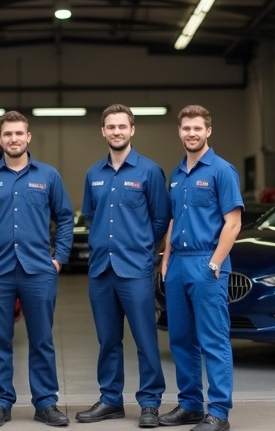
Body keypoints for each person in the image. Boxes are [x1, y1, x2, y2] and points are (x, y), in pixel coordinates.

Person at [0, 110, 74, 428]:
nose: (13, 138)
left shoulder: (48, 176)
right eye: (8, 134)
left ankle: (45, 403)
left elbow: (65, 217)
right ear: (0, 139)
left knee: (41, 339)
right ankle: (1, 403)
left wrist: (59, 258)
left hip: (39, 269)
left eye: (19, 133)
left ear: (28, 137)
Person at [74, 104, 170, 428]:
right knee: (108, 340)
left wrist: (144, 252)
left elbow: (160, 219)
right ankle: (111, 399)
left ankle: (150, 403)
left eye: (122, 126)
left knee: (145, 339)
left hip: (136, 270)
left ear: (132, 130)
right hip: (101, 270)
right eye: (110, 127)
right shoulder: (93, 174)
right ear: (103, 131)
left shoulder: (149, 171)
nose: (116, 131)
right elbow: (90, 216)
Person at [158, 105, 243, 431]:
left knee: (213, 340)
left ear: (208, 131)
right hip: (178, 264)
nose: (191, 133)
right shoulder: (177, 174)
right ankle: (191, 405)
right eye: (186, 128)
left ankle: (219, 412)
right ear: (179, 132)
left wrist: (215, 263)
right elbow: (173, 219)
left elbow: (232, 224)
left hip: (208, 264)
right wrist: (165, 256)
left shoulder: (222, 170)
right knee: (180, 339)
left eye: (197, 128)